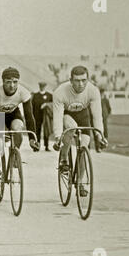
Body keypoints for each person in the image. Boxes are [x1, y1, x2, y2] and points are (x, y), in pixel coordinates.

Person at [0, 67, 39, 201]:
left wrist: (32, 139)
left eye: (15, 82)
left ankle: (14, 153)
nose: (12, 85)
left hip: (14, 115)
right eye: (8, 82)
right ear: (3, 81)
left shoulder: (23, 92)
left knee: (18, 128)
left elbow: (29, 116)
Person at [53, 66, 107, 197]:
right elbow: (58, 117)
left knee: (84, 148)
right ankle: (64, 158)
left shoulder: (93, 90)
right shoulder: (60, 92)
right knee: (71, 127)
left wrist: (100, 135)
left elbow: (97, 116)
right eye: (77, 80)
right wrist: (58, 137)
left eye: (83, 80)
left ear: (87, 79)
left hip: (83, 115)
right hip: (67, 114)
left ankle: (80, 183)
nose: (80, 84)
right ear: (70, 80)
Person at [31, 82, 53, 151]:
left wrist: (46, 104)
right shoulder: (35, 95)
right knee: (37, 130)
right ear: (39, 86)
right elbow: (32, 106)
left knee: (46, 130)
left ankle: (46, 146)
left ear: (45, 87)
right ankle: (37, 146)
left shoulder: (49, 95)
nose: (42, 87)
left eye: (43, 86)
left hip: (46, 116)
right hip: (37, 116)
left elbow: (52, 104)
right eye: (41, 86)